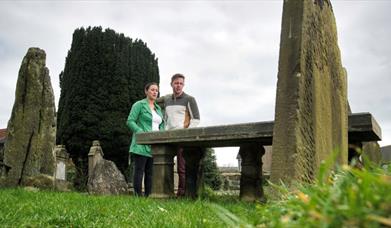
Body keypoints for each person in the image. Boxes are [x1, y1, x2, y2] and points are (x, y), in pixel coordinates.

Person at [158, 73, 200, 196]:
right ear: (171, 84)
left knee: (182, 168)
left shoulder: (189, 99)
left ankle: (182, 194)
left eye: (181, 83)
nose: (178, 86)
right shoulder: (166, 99)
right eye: (176, 83)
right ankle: (166, 192)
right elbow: (152, 102)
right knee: (164, 165)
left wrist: (186, 133)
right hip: (168, 137)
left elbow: (196, 119)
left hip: (182, 137)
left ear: (183, 85)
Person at [127, 82, 164, 197]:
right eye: (152, 90)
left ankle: (148, 196)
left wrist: (161, 135)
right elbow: (130, 121)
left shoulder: (158, 109)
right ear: (146, 91)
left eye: (156, 90)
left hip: (154, 144)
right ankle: (138, 196)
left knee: (150, 173)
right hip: (141, 143)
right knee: (139, 171)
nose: (154, 92)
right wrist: (140, 133)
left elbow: (162, 124)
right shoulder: (139, 105)